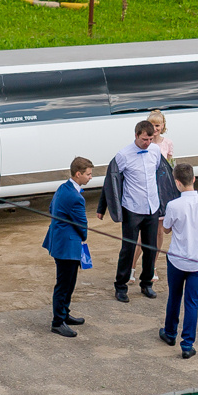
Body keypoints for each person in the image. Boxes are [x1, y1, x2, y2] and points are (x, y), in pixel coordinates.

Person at [99, 119, 175, 302]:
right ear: (136, 135)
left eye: (150, 139)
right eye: (144, 139)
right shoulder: (123, 155)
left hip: (152, 207)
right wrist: (102, 207)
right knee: (128, 248)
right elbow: (110, 181)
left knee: (150, 248)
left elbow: (161, 174)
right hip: (132, 208)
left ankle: (146, 283)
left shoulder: (155, 151)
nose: (147, 143)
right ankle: (121, 285)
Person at [158, 162, 198, 358]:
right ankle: (187, 344)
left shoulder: (173, 205)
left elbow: (166, 229)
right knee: (192, 301)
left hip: (176, 258)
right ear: (193, 179)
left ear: (177, 182)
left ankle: (170, 332)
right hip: (197, 261)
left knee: (174, 296)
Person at [44, 156, 94, 336]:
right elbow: (83, 227)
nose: (90, 177)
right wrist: (83, 235)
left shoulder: (62, 188)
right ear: (78, 174)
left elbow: (51, 209)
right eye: (88, 174)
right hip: (67, 246)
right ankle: (58, 322)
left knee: (68, 282)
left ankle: (64, 314)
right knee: (65, 284)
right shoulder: (76, 198)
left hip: (59, 242)